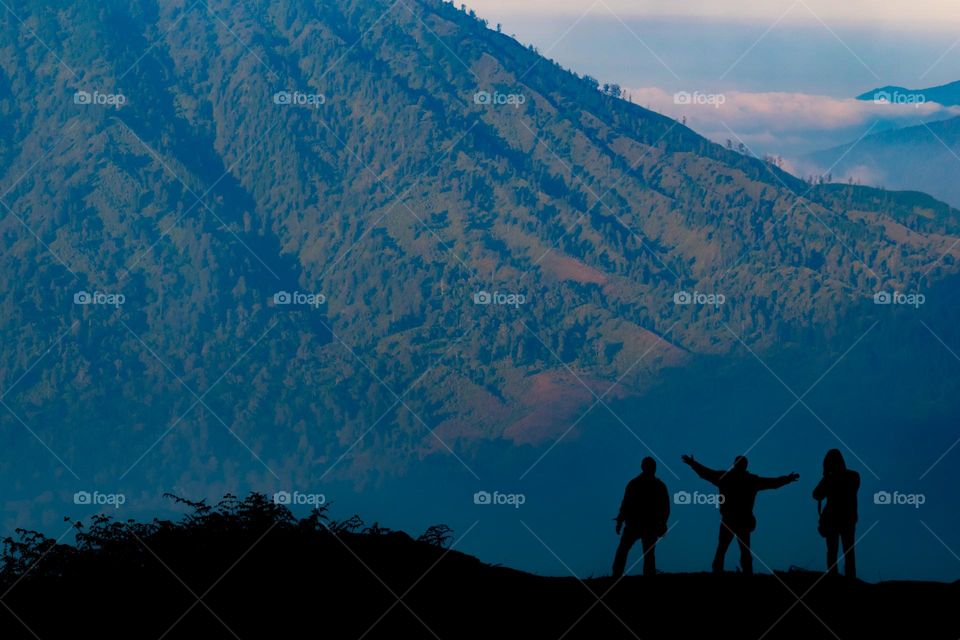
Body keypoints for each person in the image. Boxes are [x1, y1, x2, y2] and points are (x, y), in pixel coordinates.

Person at [681, 454, 799, 575]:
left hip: (730, 519)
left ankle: (719, 571)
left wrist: (693, 464)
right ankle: (745, 573)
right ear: (745, 466)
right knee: (740, 550)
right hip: (742, 520)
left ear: (734, 464)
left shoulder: (727, 478)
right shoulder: (750, 480)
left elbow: (706, 473)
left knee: (723, 549)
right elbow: (772, 483)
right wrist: (787, 479)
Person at [613, 457, 670, 578]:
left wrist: (620, 520)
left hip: (638, 524)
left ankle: (616, 576)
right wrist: (663, 523)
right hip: (643, 525)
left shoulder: (635, 484)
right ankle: (620, 575)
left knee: (626, 551)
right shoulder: (658, 486)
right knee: (645, 553)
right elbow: (665, 508)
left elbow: (625, 504)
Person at [813, 449, 860, 579]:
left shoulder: (831, 479)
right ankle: (850, 577)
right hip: (847, 519)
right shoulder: (853, 476)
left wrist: (827, 477)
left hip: (834, 519)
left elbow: (816, 494)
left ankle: (834, 577)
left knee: (833, 551)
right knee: (847, 551)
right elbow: (816, 494)